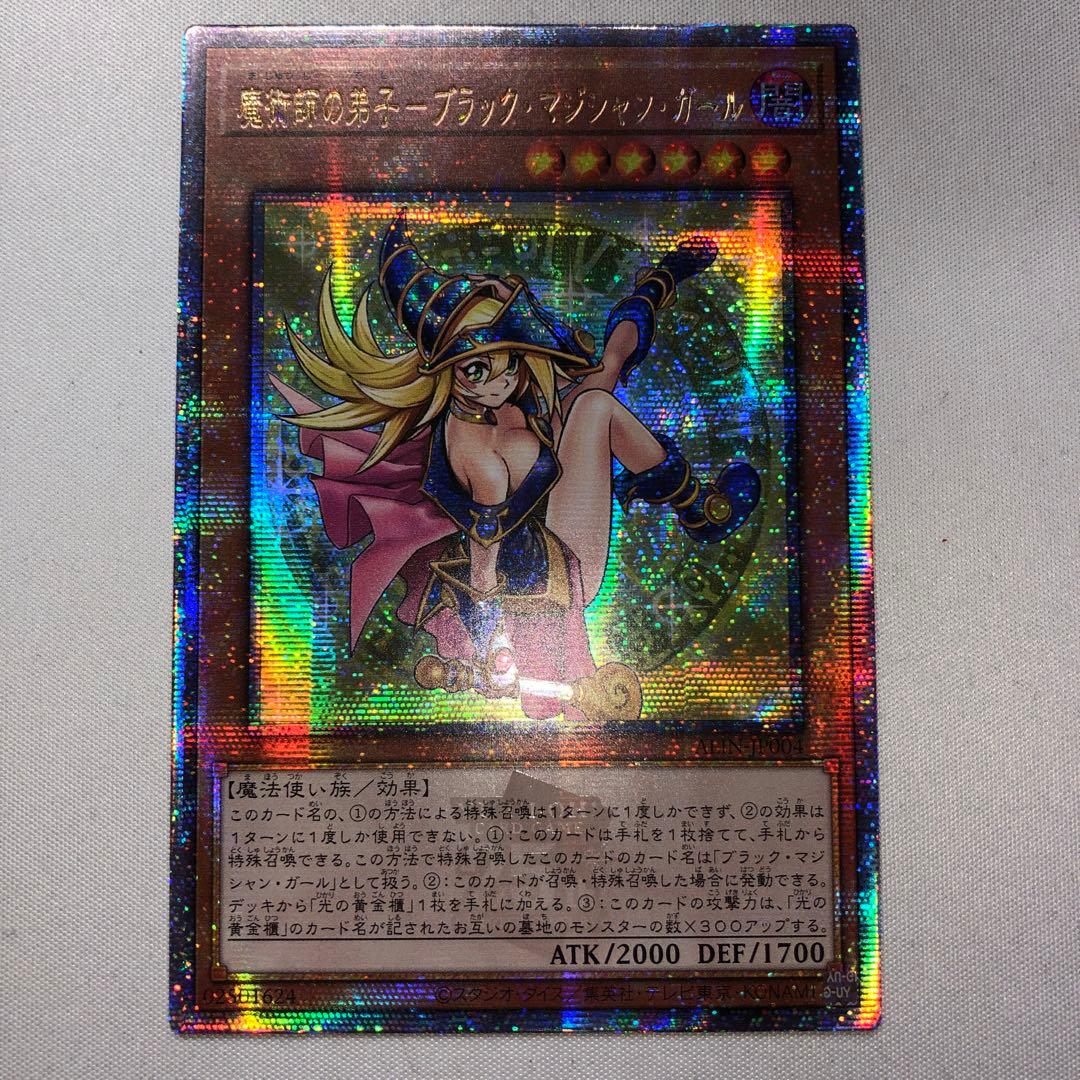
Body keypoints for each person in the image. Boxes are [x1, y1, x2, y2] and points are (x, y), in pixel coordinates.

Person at [272, 213, 760, 719]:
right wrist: (492, 646)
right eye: (478, 369)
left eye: (507, 361)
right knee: (595, 406)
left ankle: (655, 285)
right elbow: (485, 565)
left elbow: (537, 398)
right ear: (446, 369)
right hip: (551, 574)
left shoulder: (501, 399)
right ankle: (700, 508)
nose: (501, 380)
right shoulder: (477, 455)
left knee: (605, 371)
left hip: (549, 515)